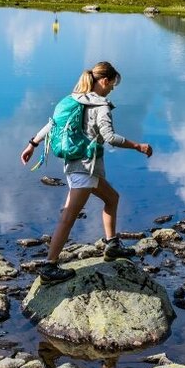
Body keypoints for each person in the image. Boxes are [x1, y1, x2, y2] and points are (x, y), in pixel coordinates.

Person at [21, 61, 153, 284]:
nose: (112, 88)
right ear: (104, 81)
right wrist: (137, 146)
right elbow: (110, 137)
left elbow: (52, 124)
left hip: (77, 165)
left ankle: (112, 246)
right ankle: (49, 267)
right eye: (112, 84)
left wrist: (33, 144)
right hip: (84, 168)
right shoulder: (100, 105)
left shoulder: (73, 99)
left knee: (112, 198)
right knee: (68, 217)